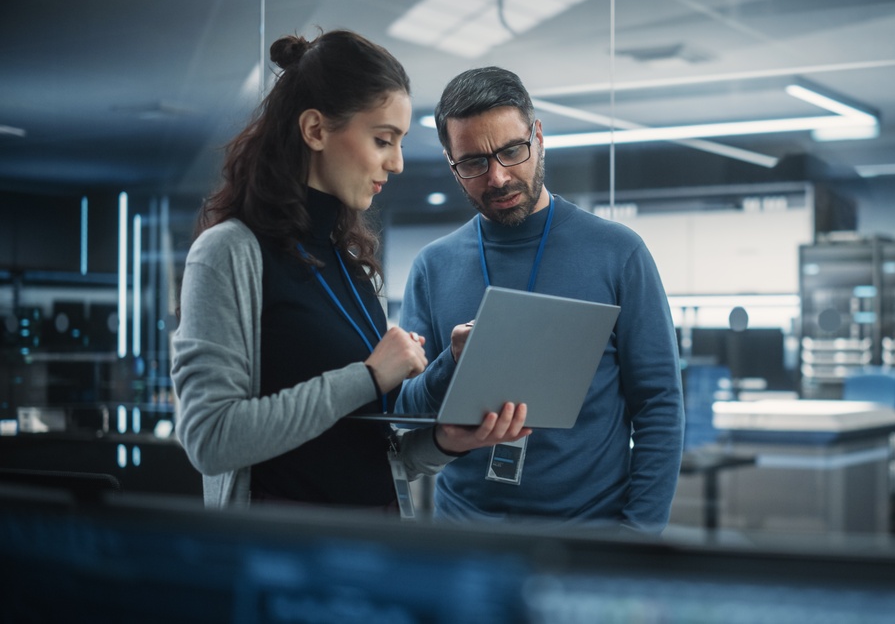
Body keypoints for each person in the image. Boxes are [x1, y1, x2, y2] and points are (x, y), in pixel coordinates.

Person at [170, 31, 529, 511]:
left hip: (371, 552)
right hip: (278, 564)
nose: (397, 163)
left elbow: (372, 451)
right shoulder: (229, 253)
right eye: (383, 140)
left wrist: (445, 441)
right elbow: (210, 440)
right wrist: (367, 377)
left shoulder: (354, 266)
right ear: (315, 130)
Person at [398, 66, 685, 533]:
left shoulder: (618, 252)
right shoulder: (433, 267)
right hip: (466, 537)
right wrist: (452, 363)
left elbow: (659, 405)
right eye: (473, 162)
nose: (497, 177)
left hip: (590, 537)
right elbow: (406, 413)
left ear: (538, 136)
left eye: (512, 151)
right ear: (452, 164)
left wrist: (639, 534)